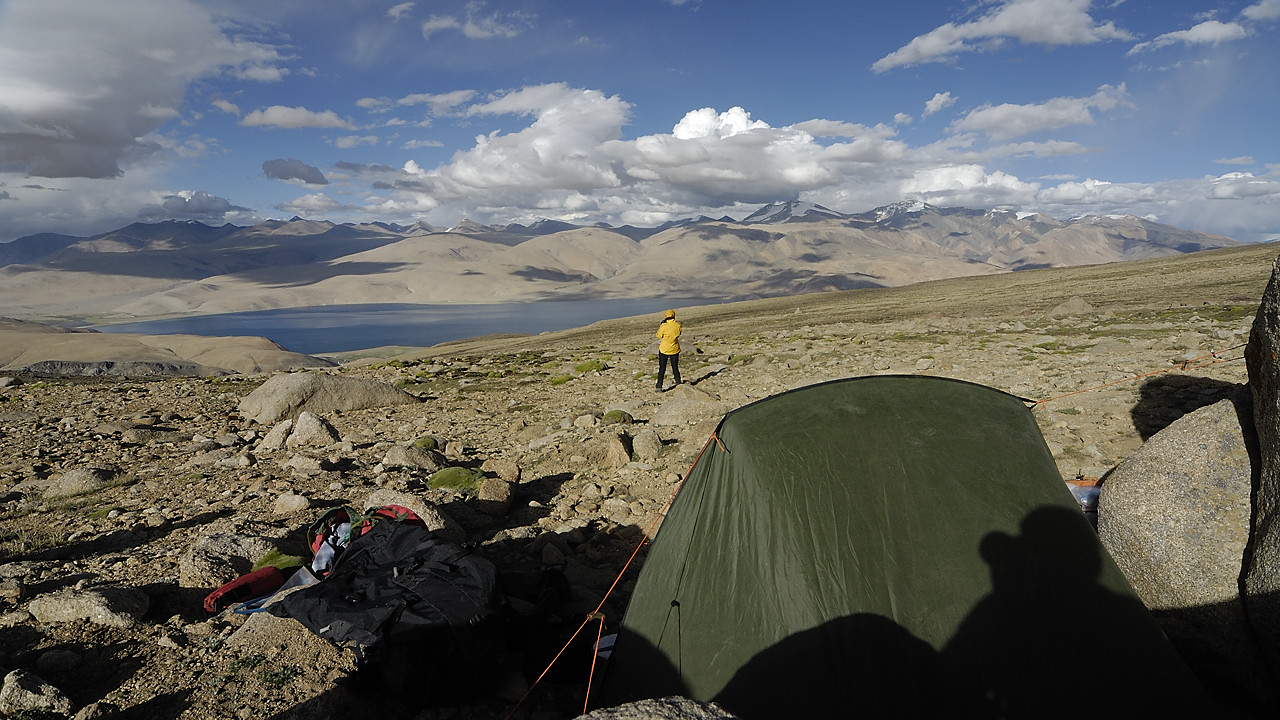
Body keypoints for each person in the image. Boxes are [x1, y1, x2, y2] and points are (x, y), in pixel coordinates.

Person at [655, 309, 682, 391]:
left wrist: (662, 326)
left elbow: (658, 335)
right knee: (675, 367)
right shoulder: (678, 325)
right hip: (674, 349)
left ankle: (659, 386)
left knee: (662, 368)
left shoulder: (664, 326)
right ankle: (678, 383)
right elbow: (679, 333)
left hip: (664, 349)